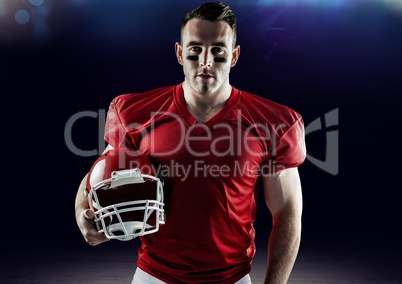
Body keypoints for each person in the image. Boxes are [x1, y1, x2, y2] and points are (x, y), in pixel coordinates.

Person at [75, 2, 306, 283]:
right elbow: (100, 171)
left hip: (230, 277)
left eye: (217, 51)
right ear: (180, 53)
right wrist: (81, 212)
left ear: (234, 56)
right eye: (195, 50)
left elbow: (287, 213)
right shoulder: (136, 113)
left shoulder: (272, 122)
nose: (205, 61)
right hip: (154, 274)